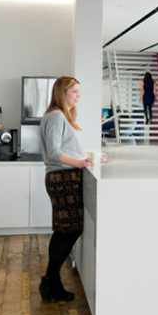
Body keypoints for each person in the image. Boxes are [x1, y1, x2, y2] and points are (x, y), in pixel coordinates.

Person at [39, 76, 96, 302]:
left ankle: (51, 282)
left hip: (66, 177)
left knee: (65, 229)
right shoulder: (55, 116)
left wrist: (88, 157)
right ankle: (50, 281)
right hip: (63, 179)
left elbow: (67, 148)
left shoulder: (62, 116)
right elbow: (54, 152)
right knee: (68, 230)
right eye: (75, 91)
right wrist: (80, 163)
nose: (78, 95)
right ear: (62, 93)